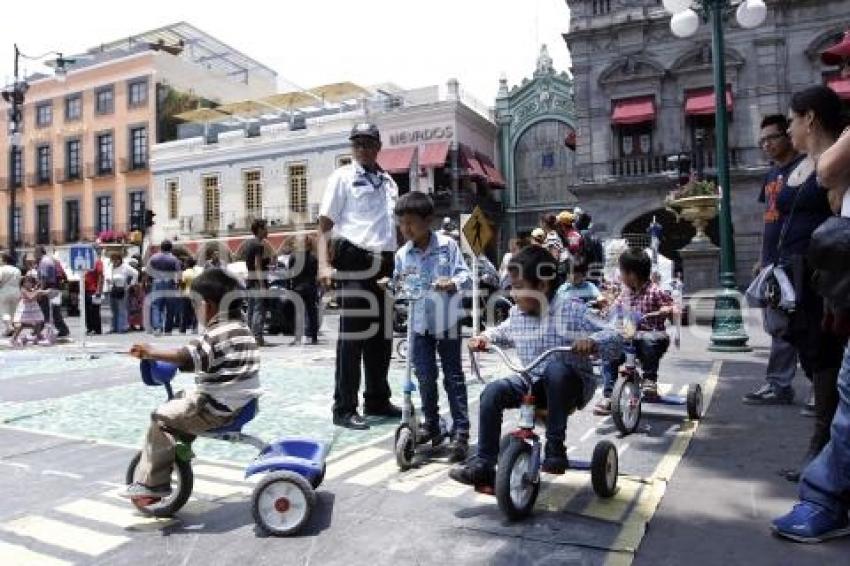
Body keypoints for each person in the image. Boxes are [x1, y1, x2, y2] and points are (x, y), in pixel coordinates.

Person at [448, 245, 620, 490]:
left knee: (556, 370)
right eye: (511, 287)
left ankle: (555, 447)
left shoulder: (572, 310)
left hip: (570, 385)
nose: (513, 294)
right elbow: (502, 331)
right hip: (532, 381)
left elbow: (613, 335)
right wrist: (484, 338)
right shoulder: (517, 314)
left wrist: (592, 342)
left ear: (542, 286)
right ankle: (484, 464)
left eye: (519, 287)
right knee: (492, 392)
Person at [772, 36, 850, 542]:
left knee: (838, 381)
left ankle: (825, 490)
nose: (788, 128)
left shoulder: (828, 162)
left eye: (794, 119)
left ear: (811, 120)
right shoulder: (800, 170)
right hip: (815, 282)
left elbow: (828, 176)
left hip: (830, 283)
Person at [123, 268, 261, 499]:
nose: (194, 311)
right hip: (242, 402)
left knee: (160, 416)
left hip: (217, 409)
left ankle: (153, 485)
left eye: (194, 305)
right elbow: (204, 360)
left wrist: (151, 352)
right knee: (180, 398)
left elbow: (186, 357)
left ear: (207, 306)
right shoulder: (242, 329)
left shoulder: (217, 334)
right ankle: (182, 443)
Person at [317, 122, 401, 430]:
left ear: (378, 147)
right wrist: (323, 265)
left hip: (386, 264)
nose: (363, 149)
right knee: (353, 338)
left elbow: (395, 229)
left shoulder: (389, 182)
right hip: (355, 261)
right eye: (357, 144)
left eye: (368, 143)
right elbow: (324, 226)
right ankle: (344, 407)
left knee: (382, 336)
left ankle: (377, 398)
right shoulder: (341, 177)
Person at [392, 191, 472, 462]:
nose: (406, 229)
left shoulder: (447, 246)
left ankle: (461, 431)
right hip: (418, 324)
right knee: (425, 377)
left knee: (453, 376)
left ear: (428, 220)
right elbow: (401, 284)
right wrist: (392, 286)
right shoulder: (402, 254)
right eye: (402, 223)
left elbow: (464, 274)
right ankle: (433, 426)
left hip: (447, 320)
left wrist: (453, 283)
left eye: (411, 223)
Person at [744, 115, 806, 406]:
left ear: (787, 136)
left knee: (805, 322)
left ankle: (813, 387)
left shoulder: (805, 169)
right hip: (773, 263)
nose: (767, 144)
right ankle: (779, 384)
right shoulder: (770, 175)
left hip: (797, 257)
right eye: (763, 140)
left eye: (773, 137)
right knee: (777, 323)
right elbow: (767, 220)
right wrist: (761, 258)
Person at [594, 248, 676, 415]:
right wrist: (603, 312)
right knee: (610, 354)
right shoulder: (625, 292)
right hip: (629, 337)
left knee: (648, 341)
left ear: (631, 275)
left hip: (652, 336)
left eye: (621, 272)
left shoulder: (655, 291)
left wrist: (667, 309)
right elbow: (614, 307)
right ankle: (609, 395)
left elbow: (671, 305)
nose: (619, 276)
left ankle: (650, 379)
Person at [147, 240, 182, 336]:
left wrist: (147, 282)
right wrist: (179, 285)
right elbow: (179, 274)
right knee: (170, 308)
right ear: (171, 248)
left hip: (157, 282)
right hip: (170, 284)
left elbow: (148, 271)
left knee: (156, 306)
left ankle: (157, 327)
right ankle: (168, 329)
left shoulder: (154, 257)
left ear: (161, 247)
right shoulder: (174, 259)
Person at [244, 219, 270, 346]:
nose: (267, 230)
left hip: (250, 280)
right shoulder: (258, 245)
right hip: (256, 282)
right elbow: (257, 265)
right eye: (265, 228)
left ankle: (249, 336)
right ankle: (257, 337)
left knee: (251, 310)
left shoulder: (248, 244)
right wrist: (262, 285)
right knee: (258, 310)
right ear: (259, 229)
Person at [289, 236, 319, 346]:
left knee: (298, 313)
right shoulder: (313, 257)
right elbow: (316, 274)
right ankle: (314, 337)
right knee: (312, 313)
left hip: (298, 288)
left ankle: (297, 338)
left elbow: (290, 274)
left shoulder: (293, 256)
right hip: (310, 288)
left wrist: (289, 287)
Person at [34, 246, 69, 338]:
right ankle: (61, 329)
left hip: (48, 289)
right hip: (53, 288)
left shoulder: (44, 262)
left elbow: (44, 278)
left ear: (39, 252)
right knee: (52, 311)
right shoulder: (49, 260)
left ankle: (62, 329)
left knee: (47, 310)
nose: (34, 255)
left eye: (35, 252)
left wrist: (40, 291)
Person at [10, 274, 49, 346]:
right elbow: (30, 297)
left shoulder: (33, 290)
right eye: (26, 282)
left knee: (38, 323)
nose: (28, 284)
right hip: (24, 310)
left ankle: (38, 336)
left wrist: (44, 292)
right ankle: (14, 338)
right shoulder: (23, 290)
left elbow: (37, 298)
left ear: (33, 283)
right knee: (20, 325)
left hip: (34, 309)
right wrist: (38, 292)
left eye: (30, 282)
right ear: (23, 284)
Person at [107, 253, 137, 334]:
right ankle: (114, 327)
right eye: (113, 260)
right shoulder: (110, 267)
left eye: (116, 260)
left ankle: (122, 327)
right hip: (113, 289)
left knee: (122, 309)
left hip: (122, 289)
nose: (115, 262)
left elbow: (135, 273)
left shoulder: (125, 267)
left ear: (120, 260)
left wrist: (131, 285)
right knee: (113, 310)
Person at [83, 250, 104, 335]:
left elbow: (100, 276)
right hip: (86, 289)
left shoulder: (97, 262)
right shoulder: (86, 262)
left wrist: (99, 289)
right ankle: (89, 328)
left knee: (94, 311)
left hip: (94, 290)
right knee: (87, 311)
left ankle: (96, 329)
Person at [0, 252, 21, 336]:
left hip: (4, 290)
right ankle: (11, 329)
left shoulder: (1, 269)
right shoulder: (17, 270)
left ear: (4, 260)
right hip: (16, 290)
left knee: (4, 311)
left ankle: (9, 327)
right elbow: (19, 281)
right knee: (14, 311)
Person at [179, 257, 202, 334]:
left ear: (187, 264)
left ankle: (183, 329)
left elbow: (182, 285)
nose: (184, 264)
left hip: (186, 294)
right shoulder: (197, 273)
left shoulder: (184, 273)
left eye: (185, 263)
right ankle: (195, 328)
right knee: (195, 313)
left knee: (184, 312)